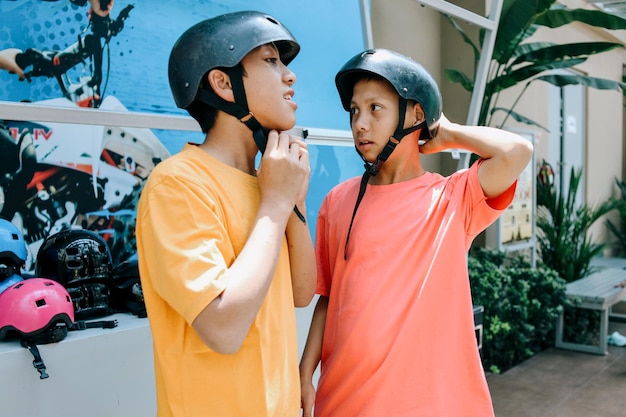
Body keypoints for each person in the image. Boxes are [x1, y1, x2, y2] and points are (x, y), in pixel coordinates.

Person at [299, 48, 534, 417]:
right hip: (345, 401)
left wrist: (447, 134)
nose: (360, 123)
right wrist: (304, 371)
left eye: (375, 108)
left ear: (415, 114)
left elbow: (516, 152)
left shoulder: (452, 199)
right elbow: (328, 298)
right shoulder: (337, 201)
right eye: (354, 111)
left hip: (430, 405)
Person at [135, 10, 316, 417]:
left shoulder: (268, 181)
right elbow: (223, 328)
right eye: (271, 61)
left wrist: (292, 201)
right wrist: (274, 204)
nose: (290, 76)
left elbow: (303, 292)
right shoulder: (178, 184)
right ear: (223, 83)